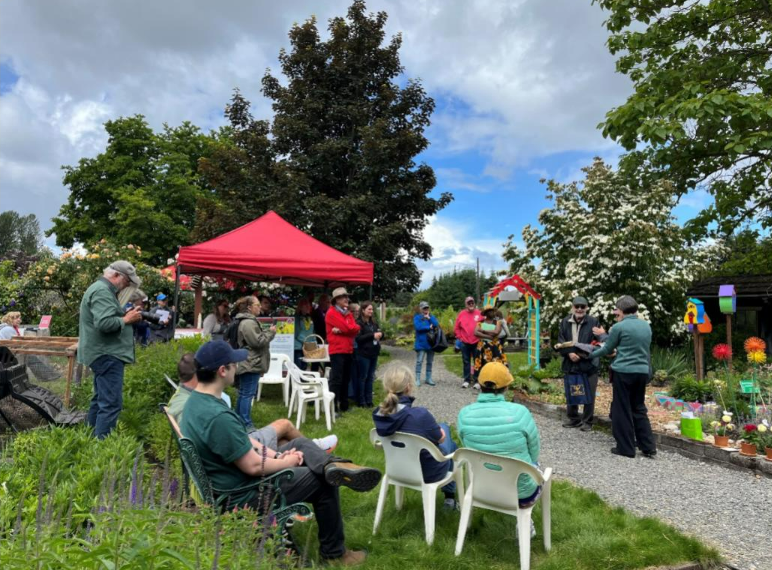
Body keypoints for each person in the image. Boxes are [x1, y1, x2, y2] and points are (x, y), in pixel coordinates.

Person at [179, 340, 381, 566]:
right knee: (323, 482)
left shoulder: (197, 402)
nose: (238, 366)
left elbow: (244, 441)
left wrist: (276, 455)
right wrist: (289, 463)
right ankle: (335, 553)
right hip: (244, 495)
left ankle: (332, 464)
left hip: (230, 483)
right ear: (222, 370)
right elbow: (253, 466)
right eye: (234, 362)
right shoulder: (217, 416)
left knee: (302, 443)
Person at [169, 353, 337, 452]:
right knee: (284, 425)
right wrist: (278, 459)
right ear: (198, 375)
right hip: (239, 449)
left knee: (286, 442)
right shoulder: (195, 405)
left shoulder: (186, 399)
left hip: (237, 445)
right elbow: (224, 442)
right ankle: (316, 450)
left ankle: (314, 453)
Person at [457, 361, 542, 532]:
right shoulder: (519, 412)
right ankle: (525, 522)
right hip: (522, 493)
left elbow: (465, 446)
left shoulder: (464, 414)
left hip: (482, 489)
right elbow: (534, 452)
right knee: (536, 467)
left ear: (480, 385)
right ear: (506, 387)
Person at [373, 363, 458, 510]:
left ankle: (450, 497)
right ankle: (450, 497)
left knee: (443, 433)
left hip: (397, 469)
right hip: (428, 472)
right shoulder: (420, 415)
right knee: (447, 434)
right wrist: (441, 432)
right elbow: (441, 439)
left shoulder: (379, 415)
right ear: (408, 387)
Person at [78, 261, 143, 439]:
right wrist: (126, 319)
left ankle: (89, 441)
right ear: (116, 276)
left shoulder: (100, 289)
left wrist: (123, 316)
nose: (127, 286)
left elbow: (105, 318)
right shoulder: (102, 291)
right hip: (106, 354)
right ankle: (102, 450)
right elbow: (104, 324)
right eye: (127, 282)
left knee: (100, 401)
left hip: (102, 353)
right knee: (110, 404)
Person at [591, 296, 657, 459]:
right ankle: (648, 446)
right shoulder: (646, 326)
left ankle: (626, 448)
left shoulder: (618, 327)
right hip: (642, 371)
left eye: (616, 310)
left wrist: (591, 354)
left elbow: (607, 349)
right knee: (638, 407)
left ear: (620, 310)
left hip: (624, 372)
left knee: (622, 409)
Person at [556, 296, 602, 431]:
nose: (580, 309)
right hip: (570, 362)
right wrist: (569, 353)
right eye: (577, 306)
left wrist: (582, 355)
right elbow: (561, 340)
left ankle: (588, 421)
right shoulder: (565, 322)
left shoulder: (594, 322)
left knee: (589, 393)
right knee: (572, 390)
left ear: (587, 308)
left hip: (589, 363)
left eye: (583, 306)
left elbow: (598, 343)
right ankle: (574, 419)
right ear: (572, 307)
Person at [233, 295, 276, 429]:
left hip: (249, 361)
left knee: (244, 393)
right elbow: (257, 342)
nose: (260, 307)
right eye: (257, 305)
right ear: (250, 308)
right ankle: (246, 424)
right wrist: (270, 333)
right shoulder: (248, 323)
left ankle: (238, 421)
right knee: (247, 394)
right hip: (251, 362)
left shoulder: (247, 321)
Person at [325, 288, 360, 414]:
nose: (346, 299)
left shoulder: (346, 312)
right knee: (337, 380)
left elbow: (355, 328)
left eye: (346, 296)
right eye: (343, 297)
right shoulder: (331, 313)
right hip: (337, 350)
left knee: (346, 378)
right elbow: (348, 327)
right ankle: (332, 407)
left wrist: (343, 330)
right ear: (336, 300)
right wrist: (347, 329)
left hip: (348, 349)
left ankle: (344, 405)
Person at [472, 306, 508, 390]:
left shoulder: (497, 322)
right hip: (483, 346)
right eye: (490, 311)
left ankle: (496, 380)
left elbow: (496, 332)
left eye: (493, 311)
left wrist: (483, 331)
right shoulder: (480, 323)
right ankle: (479, 381)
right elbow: (475, 332)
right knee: (481, 362)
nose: (492, 313)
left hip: (494, 347)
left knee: (496, 362)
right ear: (486, 313)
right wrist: (488, 336)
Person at [355, 301, 382, 408]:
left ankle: (369, 399)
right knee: (363, 377)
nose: (371, 311)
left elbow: (380, 332)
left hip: (373, 353)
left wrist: (381, 334)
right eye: (369, 309)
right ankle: (361, 401)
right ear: (363, 310)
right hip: (363, 354)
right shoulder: (358, 323)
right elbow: (358, 339)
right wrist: (372, 335)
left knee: (370, 377)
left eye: (372, 309)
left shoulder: (373, 323)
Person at [454, 296, 482, 389]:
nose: (471, 304)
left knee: (477, 361)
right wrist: (460, 337)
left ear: (474, 303)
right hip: (465, 342)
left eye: (472, 302)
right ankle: (466, 380)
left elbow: (484, 324)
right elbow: (457, 328)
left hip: (477, 341)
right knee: (466, 361)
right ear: (466, 304)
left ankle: (477, 380)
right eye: (469, 303)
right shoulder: (461, 314)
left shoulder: (479, 313)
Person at [413, 301, 439, 386]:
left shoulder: (431, 317)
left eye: (427, 308)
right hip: (421, 344)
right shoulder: (417, 317)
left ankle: (428, 378)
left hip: (431, 344)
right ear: (420, 309)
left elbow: (436, 324)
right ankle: (417, 379)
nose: (426, 309)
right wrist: (428, 327)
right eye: (424, 308)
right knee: (419, 361)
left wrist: (429, 318)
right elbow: (418, 327)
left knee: (430, 361)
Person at [293, 298, 315, 370]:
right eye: (306, 306)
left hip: (306, 347)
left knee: (304, 366)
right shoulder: (296, 317)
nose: (308, 307)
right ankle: (296, 381)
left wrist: (314, 342)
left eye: (309, 306)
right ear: (300, 307)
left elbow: (312, 331)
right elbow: (296, 333)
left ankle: (303, 380)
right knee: (298, 367)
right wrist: (306, 341)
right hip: (298, 347)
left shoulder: (309, 317)